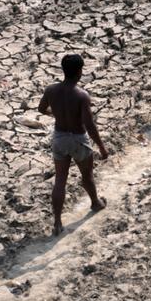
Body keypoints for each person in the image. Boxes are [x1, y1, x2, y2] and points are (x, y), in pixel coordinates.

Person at [38, 54, 107, 236]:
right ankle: (95, 202)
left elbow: (41, 109)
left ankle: (58, 223)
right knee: (87, 175)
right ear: (79, 71)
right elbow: (89, 124)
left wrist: (57, 114)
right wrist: (101, 146)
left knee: (60, 180)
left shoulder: (51, 90)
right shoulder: (81, 95)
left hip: (60, 138)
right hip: (78, 139)